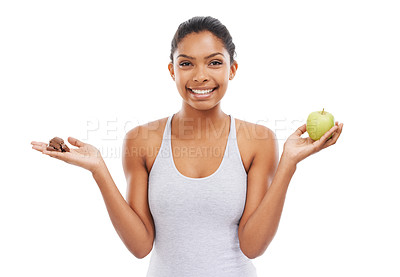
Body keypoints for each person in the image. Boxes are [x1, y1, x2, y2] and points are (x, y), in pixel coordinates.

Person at [31, 16, 343, 277]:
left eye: (214, 62)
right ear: (173, 71)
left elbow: (253, 246)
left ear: (232, 69)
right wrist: (99, 168)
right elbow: (140, 246)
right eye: (187, 64)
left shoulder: (256, 140)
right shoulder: (141, 140)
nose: (201, 76)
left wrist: (289, 163)